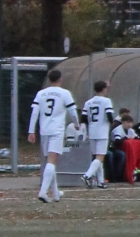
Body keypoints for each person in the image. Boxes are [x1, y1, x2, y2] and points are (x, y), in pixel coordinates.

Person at [27, 67, 78, 203]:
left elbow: (34, 113)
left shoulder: (41, 93)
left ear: (49, 80)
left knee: (50, 161)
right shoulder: (64, 93)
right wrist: (76, 123)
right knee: (52, 161)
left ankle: (55, 193)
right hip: (57, 130)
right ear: (60, 79)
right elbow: (72, 111)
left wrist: (31, 130)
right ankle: (43, 192)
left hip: (44, 130)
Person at [82, 80, 116, 188]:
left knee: (96, 157)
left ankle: (100, 181)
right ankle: (87, 175)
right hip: (102, 132)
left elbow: (83, 118)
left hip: (92, 131)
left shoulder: (88, 102)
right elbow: (109, 115)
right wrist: (112, 124)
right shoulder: (106, 101)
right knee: (100, 157)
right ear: (104, 89)